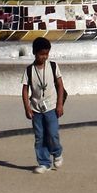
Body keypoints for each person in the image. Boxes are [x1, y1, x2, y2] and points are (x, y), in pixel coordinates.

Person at [21, 38, 66, 174]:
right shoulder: (29, 70)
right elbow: (24, 90)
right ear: (34, 53)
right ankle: (43, 162)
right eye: (41, 54)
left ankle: (57, 153)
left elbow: (60, 85)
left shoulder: (53, 66)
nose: (44, 57)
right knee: (39, 136)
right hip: (36, 109)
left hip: (51, 107)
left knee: (52, 133)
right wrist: (27, 107)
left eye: (46, 54)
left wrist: (59, 104)